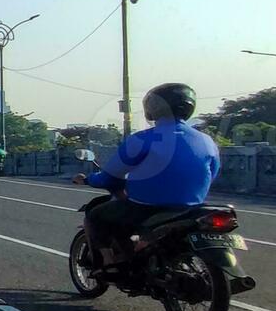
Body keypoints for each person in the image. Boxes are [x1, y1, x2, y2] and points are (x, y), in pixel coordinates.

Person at [71, 83, 220, 268]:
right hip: (191, 208)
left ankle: (110, 264)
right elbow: (212, 173)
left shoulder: (142, 139)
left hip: (146, 208)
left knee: (95, 215)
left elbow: (109, 177)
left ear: (153, 108)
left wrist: (87, 179)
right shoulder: (206, 141)